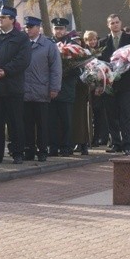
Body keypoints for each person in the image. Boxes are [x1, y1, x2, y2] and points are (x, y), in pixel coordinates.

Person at [0, 5, 32, 164]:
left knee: (15, 122)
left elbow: (22, 60)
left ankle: (18, 152)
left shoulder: (21, 38)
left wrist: (4, 71)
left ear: (12, 20)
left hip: (13, 88)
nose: (0, 19)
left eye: (3, 17)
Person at [23, 16, 61, 161]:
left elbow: (56, 68)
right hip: (25, 90)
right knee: (27, 123)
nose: (28, 30)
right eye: (26, 27)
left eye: (31, 27)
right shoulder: (23, 43)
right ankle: (29, 149)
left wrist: (54, 88)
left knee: (42, 124)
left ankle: (43, 150)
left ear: (38, 28)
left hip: (42, 90)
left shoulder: (49, 45)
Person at [98, 14, 130, 154]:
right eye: (112, 23)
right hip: (109, 84)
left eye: (117, 22)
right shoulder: (102, 42)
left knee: (125, 113)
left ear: (121, 23)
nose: (115, 25)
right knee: (111, 114)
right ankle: (116, 143)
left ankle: (128, 143)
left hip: (125, 82)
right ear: (108, 25)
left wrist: (126, 66)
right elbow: (100, 61)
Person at [47, 17, 77, 156]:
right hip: (50, 88)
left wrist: (64, 71)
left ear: (66, 30)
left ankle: (66, 146)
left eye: (61, 28)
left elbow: (78, 68)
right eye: (56, 28)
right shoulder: (47, 43)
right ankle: (52, 146)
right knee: (51, 120)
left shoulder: (73, 45)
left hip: (66, 87)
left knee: (66, 120)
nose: (58, 31)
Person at [83, 30, 109, 147]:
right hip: (86, 87)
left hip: (98, 88)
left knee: (99, 113)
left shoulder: (101, 52)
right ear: (86, 41)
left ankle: (99, 137)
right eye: (90, 40)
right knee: (88, 114)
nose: (93, 41)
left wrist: (99, 84)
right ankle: (88, 138)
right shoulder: (83, 53)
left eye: (94, 39)